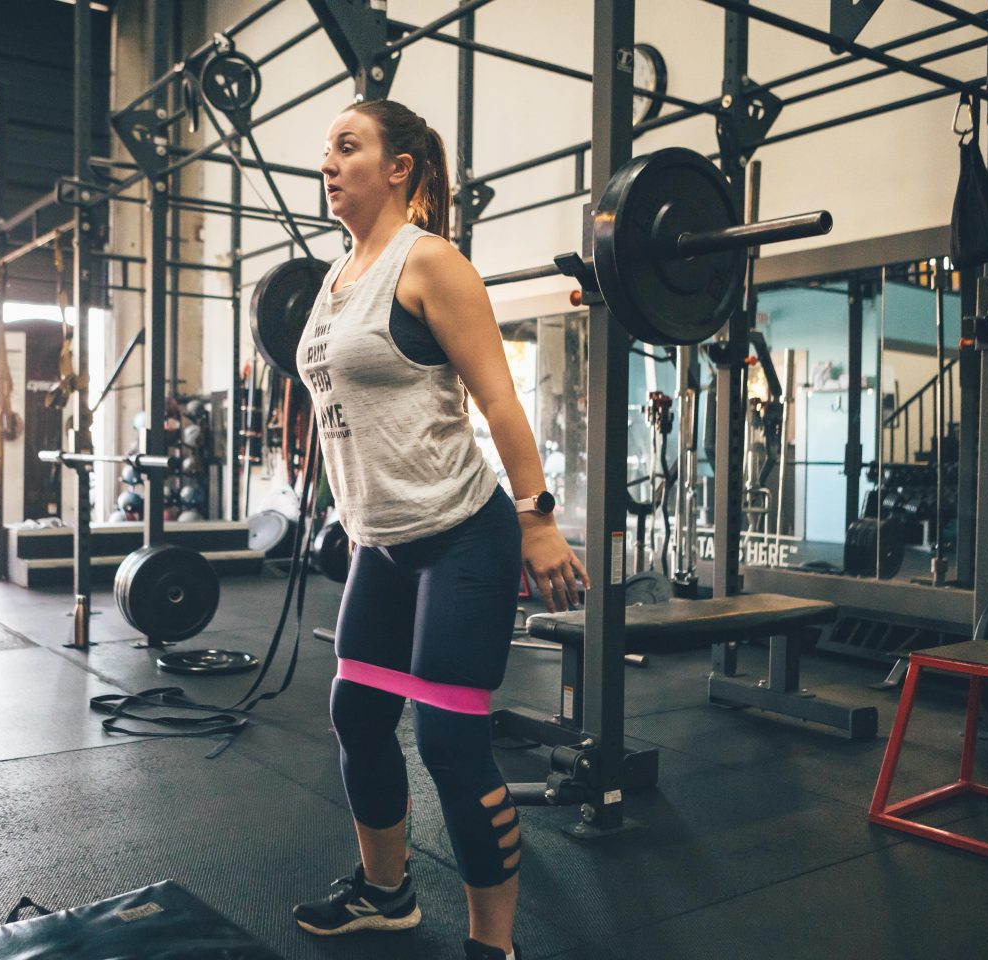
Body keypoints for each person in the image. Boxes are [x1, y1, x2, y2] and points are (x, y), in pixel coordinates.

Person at [289, 99, 588, 960]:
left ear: (400, 169)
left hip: (464, 534)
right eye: (326, 151)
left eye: (349, 147)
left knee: (451, 742)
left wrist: (537, 522)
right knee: (357, 714)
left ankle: (492, 947)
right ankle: (387, 895)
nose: (329, 163)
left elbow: (498, 397)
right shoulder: (336, 275)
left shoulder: (430, 263)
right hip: (382, 547)